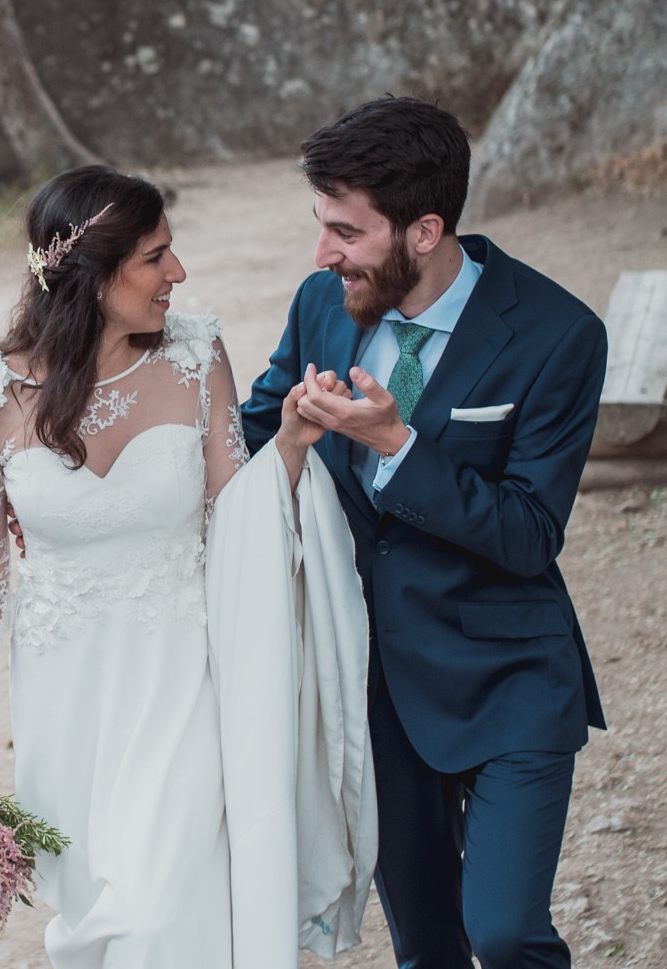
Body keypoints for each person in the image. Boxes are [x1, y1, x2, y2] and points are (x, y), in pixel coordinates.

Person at [239, 96, 608, 969]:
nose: (323, 253)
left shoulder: (559, 335)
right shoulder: (322, 303)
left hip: (509, 674)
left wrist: (397, 447)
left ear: (426, 229)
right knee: (428, 948)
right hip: (372, 682)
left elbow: (529, 532)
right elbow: (250, 436)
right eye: (321, 224)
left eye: (346, 231)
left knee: (506, 933)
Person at [0, 164, 335, 967]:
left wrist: (292, 442)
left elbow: (238, 514)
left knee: (160, 912)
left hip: (181, 677)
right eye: (155, 256)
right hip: (67, 697)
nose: (177, 272)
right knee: (98, 915)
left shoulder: (196, 352)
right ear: (92, 275)